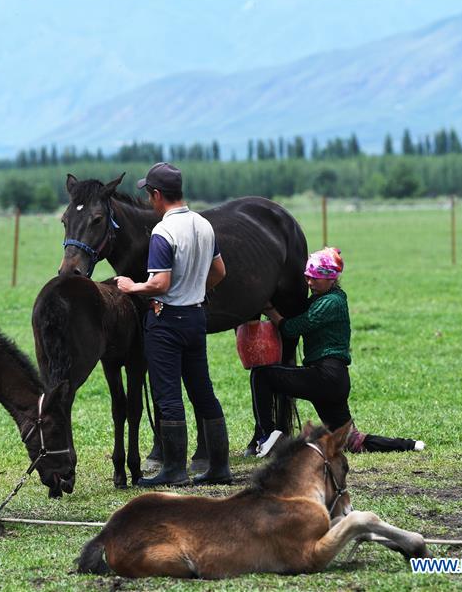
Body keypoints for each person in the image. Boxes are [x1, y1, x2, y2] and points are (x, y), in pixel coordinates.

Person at [115, 162, 230, 486]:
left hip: (167, 322)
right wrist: (195, 290)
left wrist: (131, 286)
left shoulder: (163, 232)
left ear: (156, 195)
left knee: (168, 395)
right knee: (202, 391)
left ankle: (175, 469)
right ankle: (219, 467)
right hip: (196, 316)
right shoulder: (204, 225)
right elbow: (220, 272)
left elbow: (161, 283)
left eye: (149, 194)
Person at [255, 247, 425, 455]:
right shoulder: (325, 298)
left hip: (325, 376)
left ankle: (265, 437)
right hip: (334, 380)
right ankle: (410, 444)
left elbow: (291, 329)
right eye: (308, 277)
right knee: (352, 441)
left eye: (316, 278)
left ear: (331, 279)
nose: (310, 283)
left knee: (261, 375)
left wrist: (270, 311)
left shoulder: (330, 302)